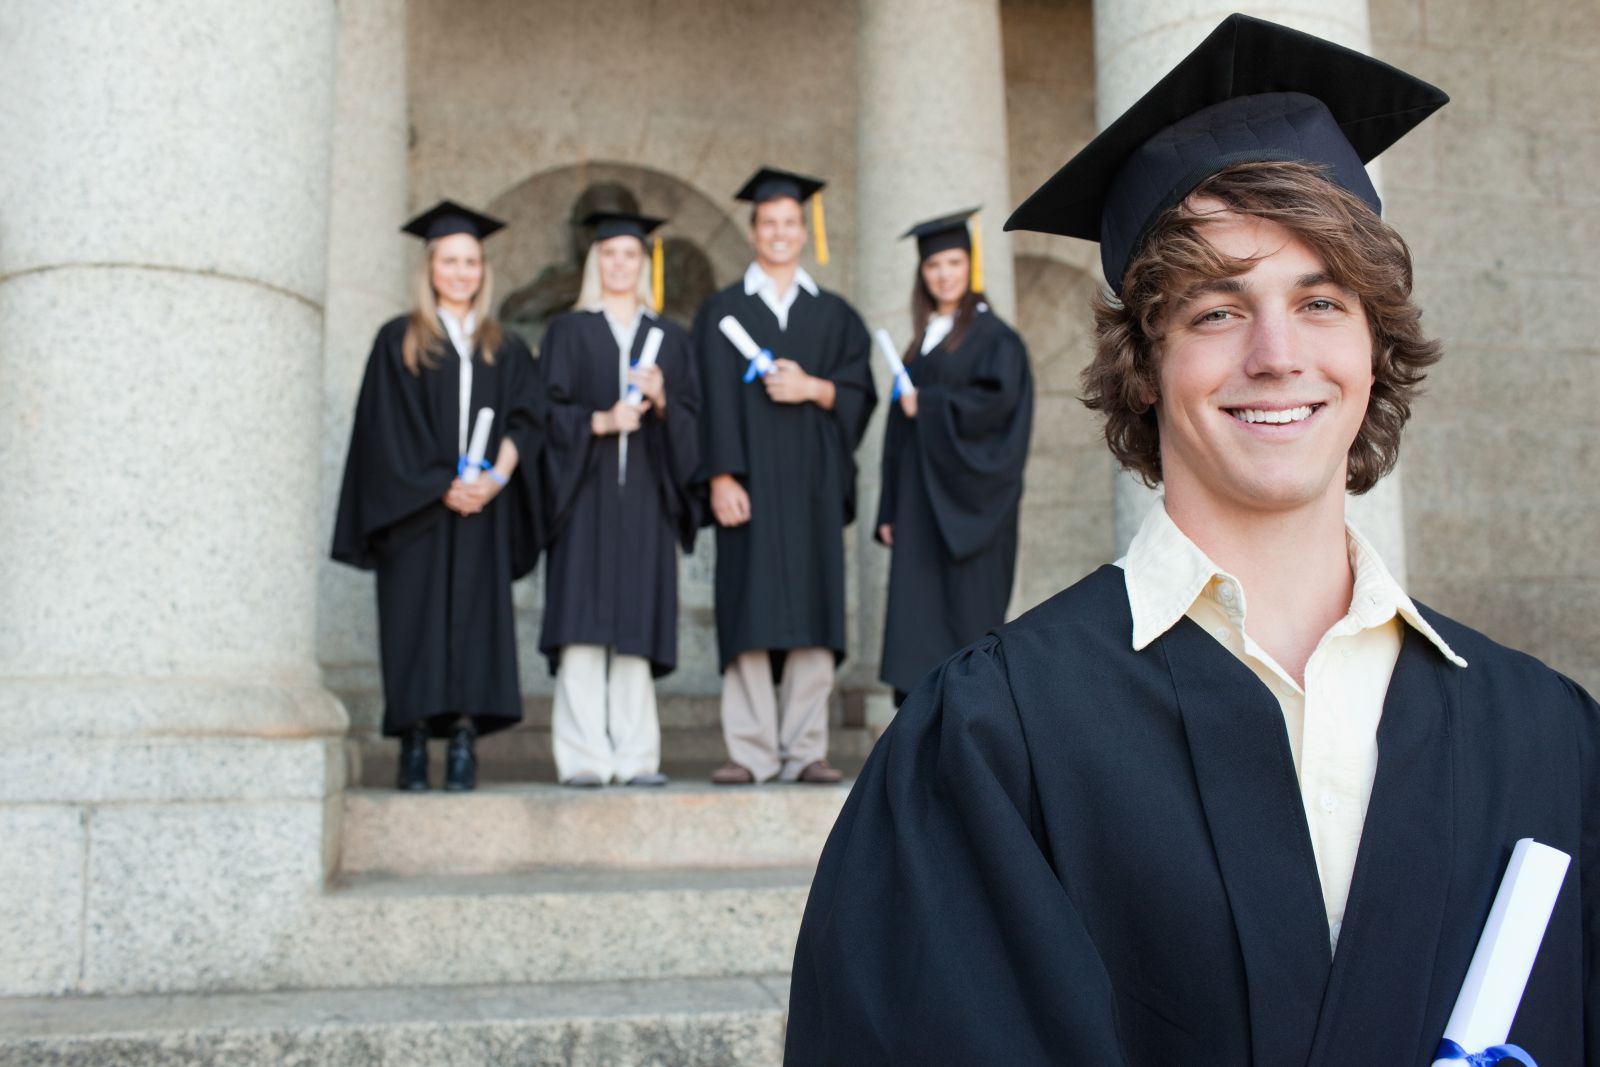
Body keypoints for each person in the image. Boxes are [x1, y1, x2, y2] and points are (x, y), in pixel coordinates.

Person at [787, 16, 1598, 1066]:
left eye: (1320, 299)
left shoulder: (1542, 734)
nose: (1276, 353)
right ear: (1144, 362)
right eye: (1216, 310)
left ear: (1373, 344)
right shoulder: (995, 738)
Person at [332, 200, 543, 794]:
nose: (460, 272)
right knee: (415, 624)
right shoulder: (398, 340)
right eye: (449, 260)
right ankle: (416, 742)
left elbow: (527, 423)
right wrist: (438, 485)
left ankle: (465, 743)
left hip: (481, 510)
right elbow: (383, 430)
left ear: (483, 269)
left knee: (474, 623)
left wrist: (492, 482)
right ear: (429, 267)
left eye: (471, 261)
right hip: (416, 512)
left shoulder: (504, 345)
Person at [692, 166, 876, 785]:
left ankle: (804, 749)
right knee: (749, 610)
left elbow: (859, 392)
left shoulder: (833, 316)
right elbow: (704, 402)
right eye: (768, 222)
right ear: (753, 231)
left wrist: (813, 388)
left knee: (813, 611)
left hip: (812, 486)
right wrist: (719, 476)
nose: (778, 232)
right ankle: (749, 751)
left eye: (789, 223)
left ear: (803, 232)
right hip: (746, 486)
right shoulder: (721, 314)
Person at [537, 211, 701, 787]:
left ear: (644, 264)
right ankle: (583, 756)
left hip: (646, 503)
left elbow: (693, 425)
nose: (619, 265)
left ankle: (635, 758)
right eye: (609, 255)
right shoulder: (569, 331)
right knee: (583, 629)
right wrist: (598, 422)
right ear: (595, 262)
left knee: (633, 631)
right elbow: (544, 416)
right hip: (584, 496)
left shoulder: (670, 339)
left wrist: (662, 401)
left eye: (630, 255)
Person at [876, 209, 1033, 703]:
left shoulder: (996, 340)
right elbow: (897, 433)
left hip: (973, 508)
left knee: (966, 622)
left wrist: (927, 403)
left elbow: (998, 410)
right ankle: (916, 730)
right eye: (933, 266)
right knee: (915, 622)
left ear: (970, 266)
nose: (943, 274)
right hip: (918, 506)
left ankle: (970, 728)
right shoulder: (923, 342)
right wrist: (888, 509)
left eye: (952, 262)